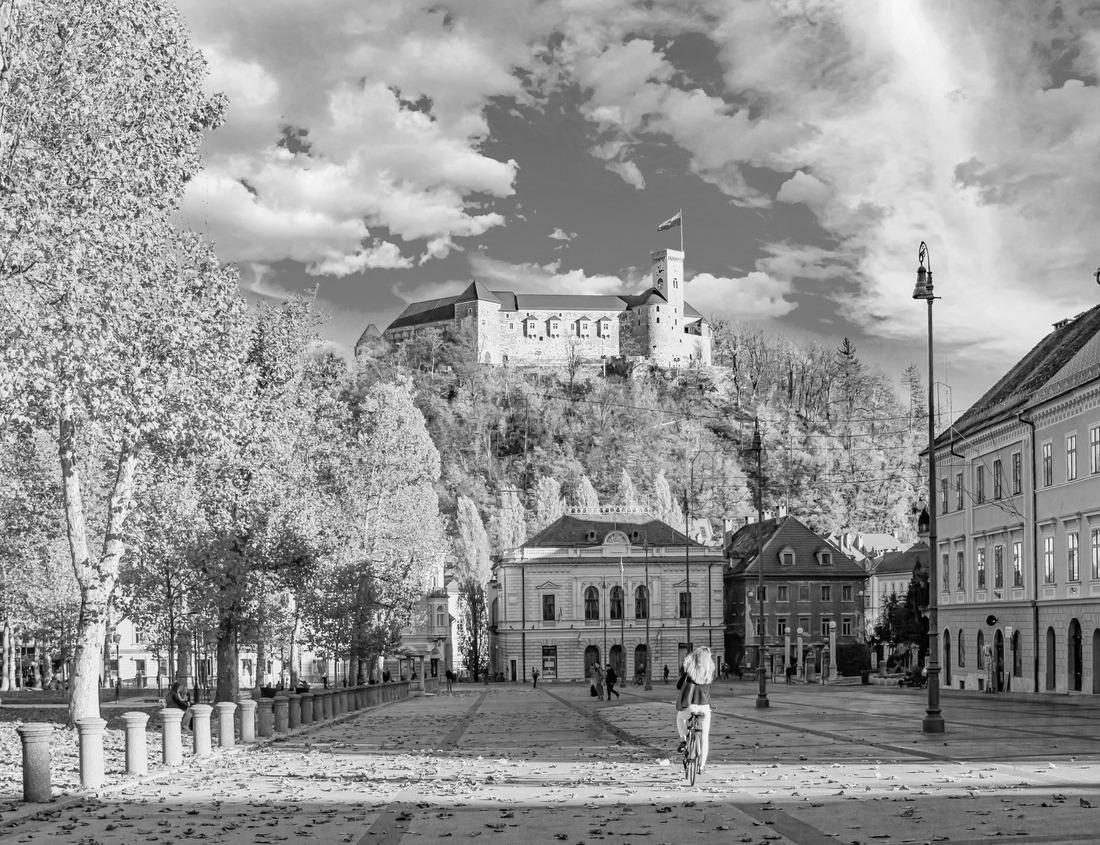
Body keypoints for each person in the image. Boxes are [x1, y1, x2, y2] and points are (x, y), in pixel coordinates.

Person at [675, 646, 715, 775]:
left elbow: (678, 686)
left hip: (690, 706)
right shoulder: (710, 671)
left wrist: (687, 669)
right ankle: (701, 766)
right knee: (704, 737)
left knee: (680, 718)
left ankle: (683, 740)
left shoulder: (690, 671)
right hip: (704, 707)